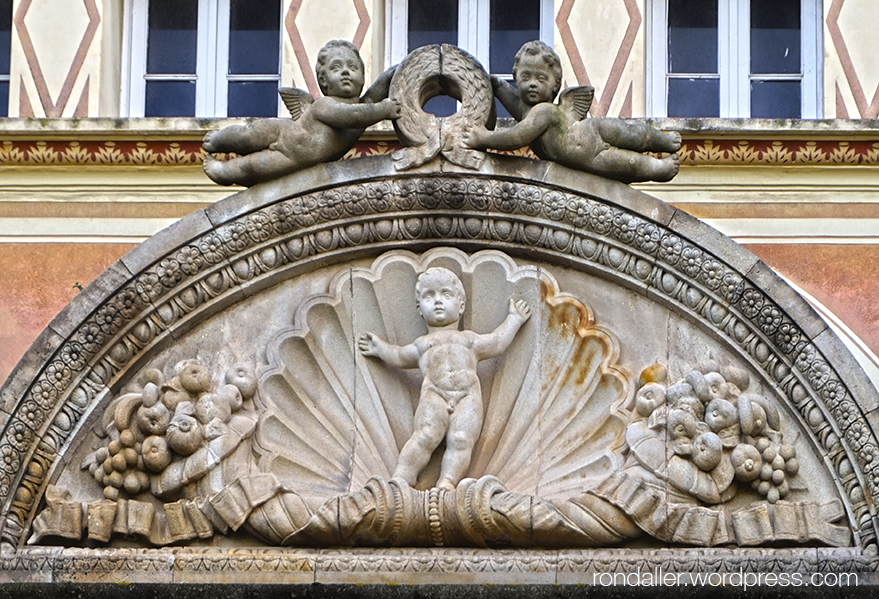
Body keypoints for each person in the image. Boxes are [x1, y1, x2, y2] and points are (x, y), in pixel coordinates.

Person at [358, 267, 531, 490]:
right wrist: (380, 348)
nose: (438, 301)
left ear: (461, 305)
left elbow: (496, 342)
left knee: (461, 439)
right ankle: (402, 477)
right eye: (429, 296)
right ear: (419, 308)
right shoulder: (423, 344)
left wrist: (514, 320)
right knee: (425, 435)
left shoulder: (468, 340)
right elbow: (400, 356)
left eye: (446, 295)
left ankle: (447, 482)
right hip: (434, 394)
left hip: (467, 395)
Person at [464, 40, 681, 183]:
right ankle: (657, 168)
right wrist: (492, 83)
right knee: (626, 163)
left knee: (630, 133)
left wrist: (482, 137)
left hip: (589, 134)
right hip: (589, 155)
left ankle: (661, 141)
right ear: (516, 78)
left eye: (540, 79)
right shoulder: (527, 111)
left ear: (554, 86)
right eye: (525, 77)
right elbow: (510, 97)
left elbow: (516, 136)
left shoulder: (544, 112)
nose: (532, 84)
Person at [203, 40, 401, 186]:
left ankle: (224, 171)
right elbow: (354, 116)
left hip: (292, 156)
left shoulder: (362, 108)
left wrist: (395, 73)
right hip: (285, 133)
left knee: (253, 167)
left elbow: (372, 96)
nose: (346, 72)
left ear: (362, 78)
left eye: (353, 67)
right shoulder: (325, 105)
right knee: (248, 135)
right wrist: (385, 109)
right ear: (323, 81)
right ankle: (219, 140)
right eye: (336, 68)